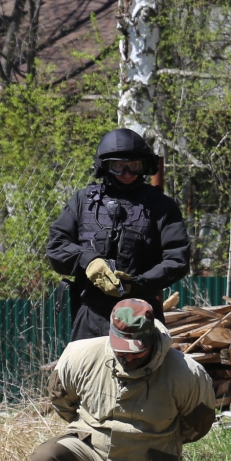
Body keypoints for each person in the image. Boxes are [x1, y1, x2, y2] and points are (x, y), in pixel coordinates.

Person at [28, 299, 217, 461]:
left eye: (135, 352)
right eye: (120, 351)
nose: (127, 357)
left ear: (151, 340)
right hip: (92, 454)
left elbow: (197, 425)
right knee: (45, 459)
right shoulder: (79, 355)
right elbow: (62, 401)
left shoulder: (187, 373)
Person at [46, 129, 191, 343]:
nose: (127, 173)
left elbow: (178, 259)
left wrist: (137, 284)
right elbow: (56, 247)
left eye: (134, 166)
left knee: (145, 374)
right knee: (84, 373)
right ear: (104, 166)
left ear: (145, 166)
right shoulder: (82, 201)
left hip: (142, 314)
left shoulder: (161, 206)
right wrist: (88, 261)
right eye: (118, 166)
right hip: (90, 314)